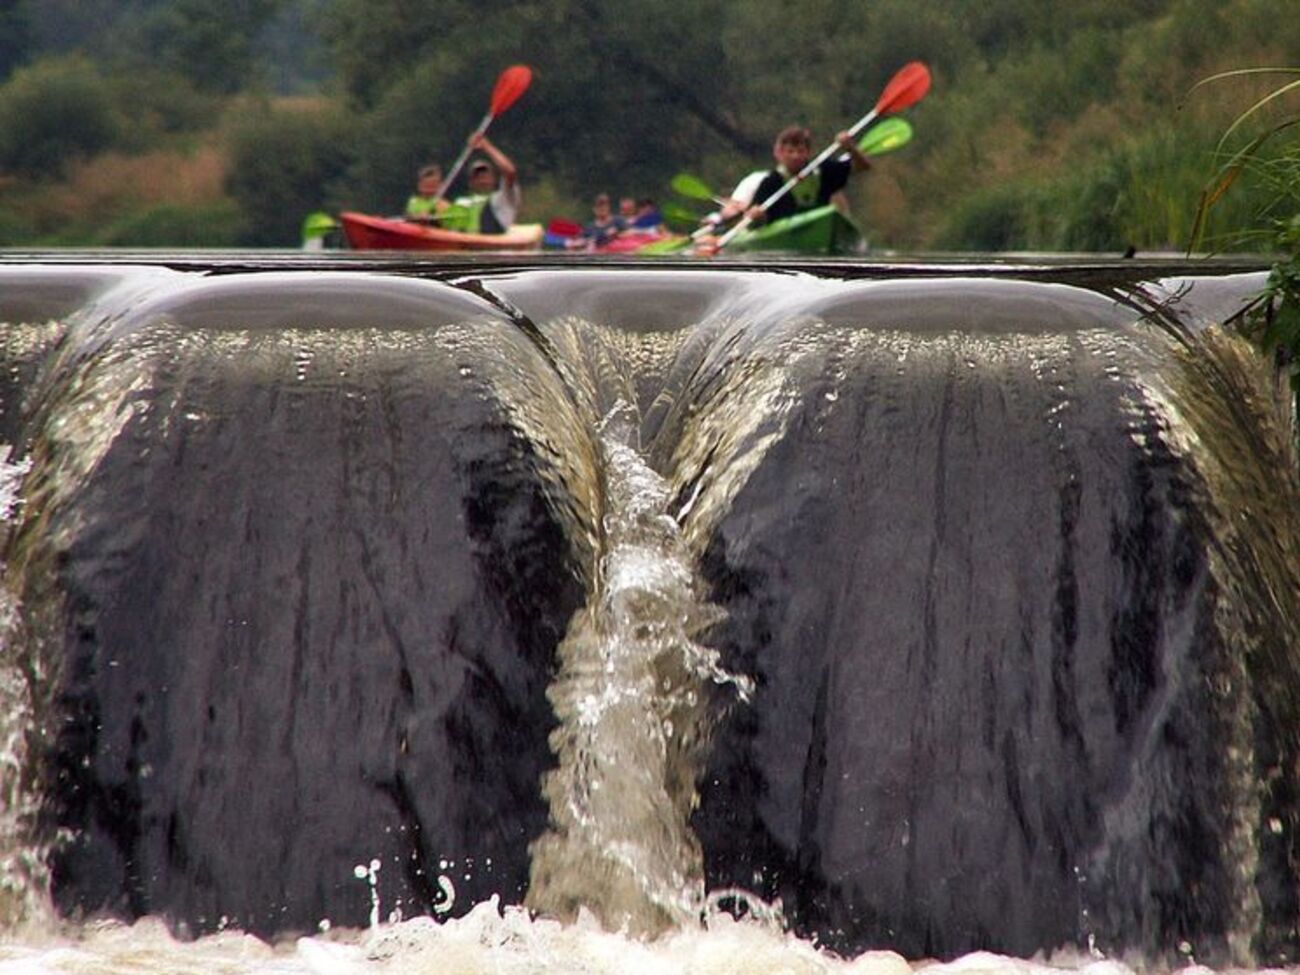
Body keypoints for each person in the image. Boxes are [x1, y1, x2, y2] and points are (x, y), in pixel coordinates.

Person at [717, 125, 871, 226]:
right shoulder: (771, 182)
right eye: (790, 151)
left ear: (808, 152)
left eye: (800, 151)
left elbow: (863, 167)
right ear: (779, 154)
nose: (795, 156)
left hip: (821, 225)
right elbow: (758, 220)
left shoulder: (824, 169)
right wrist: (757, 216)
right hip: (786, 232)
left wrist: (851, 148)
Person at [441, 133, 521, 234]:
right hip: (465, 244)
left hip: (494, 245)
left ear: (494, 179)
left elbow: (510, 171)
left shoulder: (503, 198)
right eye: (477, 178)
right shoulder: (461, 203)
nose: (482, 181)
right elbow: (443, 227)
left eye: (486, 176)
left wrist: (486, 146)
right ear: (470, 183)